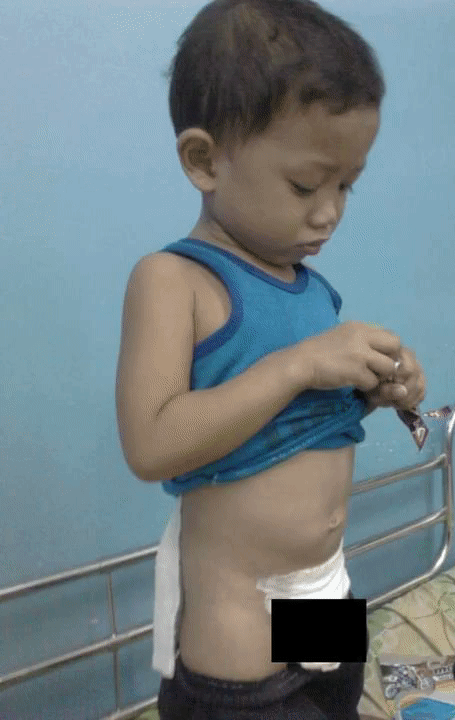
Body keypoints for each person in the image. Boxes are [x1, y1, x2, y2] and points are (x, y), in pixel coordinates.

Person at [115, 1, 427, 717]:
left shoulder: (310, 288)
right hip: (242, 639)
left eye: (346, 185)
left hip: (328, 594)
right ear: (205, 160)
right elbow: (151, 444)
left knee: (339, 706)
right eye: (306, 185)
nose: (330, 213)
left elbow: (300, 419)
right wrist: (300, 365)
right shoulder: (175, 281)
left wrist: (379, 387)